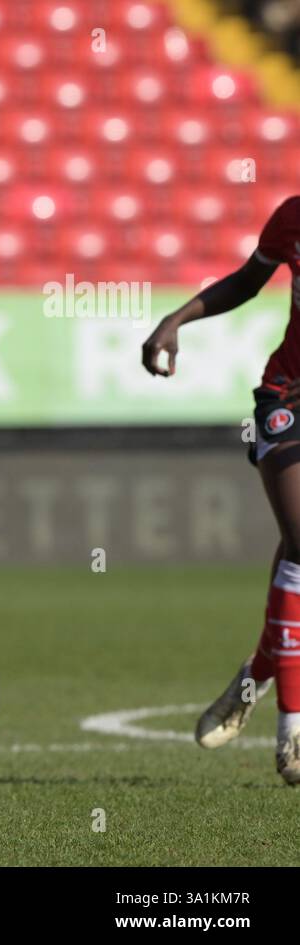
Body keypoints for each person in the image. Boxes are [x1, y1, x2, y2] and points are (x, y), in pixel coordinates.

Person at [142, 195, 300, 780]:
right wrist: (176, 318)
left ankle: (254, 677)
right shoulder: (292, 217)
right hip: (287, 396)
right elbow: (248, 281)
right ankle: (293, 731)